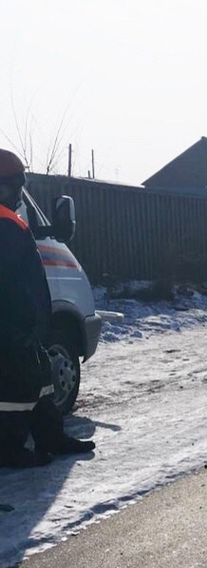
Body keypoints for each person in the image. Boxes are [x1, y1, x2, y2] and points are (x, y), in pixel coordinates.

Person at [0, 149, 95, 467]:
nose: (17, 195)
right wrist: (16, 326)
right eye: (13, 187)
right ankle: (8, 449)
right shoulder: (2, 223)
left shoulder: (9, 220)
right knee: (14, 391)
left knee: (40, 378)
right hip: (10, 326)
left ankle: (50, 436)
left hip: (23, 323)